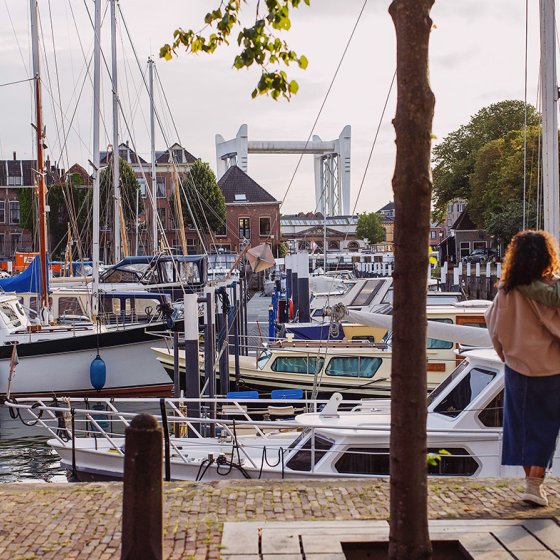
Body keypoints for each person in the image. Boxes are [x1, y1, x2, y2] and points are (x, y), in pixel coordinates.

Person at [485, 230, 560, 507]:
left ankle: (532, 485)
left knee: (523, 427)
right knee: (547, 427)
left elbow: (494, 325)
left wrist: (504, 353)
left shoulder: (507, 290)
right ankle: (536, 484)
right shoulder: (554, 288)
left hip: (519, 366)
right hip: (554, 367)